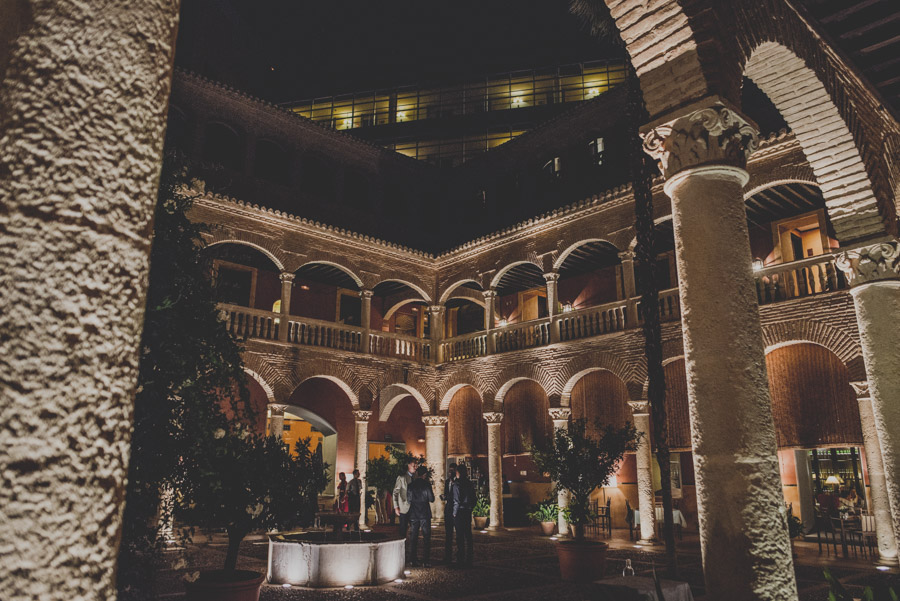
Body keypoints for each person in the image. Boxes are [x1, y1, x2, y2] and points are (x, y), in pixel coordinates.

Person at [407, 465, 435, 567]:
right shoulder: (427, 485)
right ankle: (426, 561)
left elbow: (408, 500)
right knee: (426, 538)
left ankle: (413, 560)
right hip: (424, 514)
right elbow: (431, 499)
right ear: (424, 475)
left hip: (414, 514)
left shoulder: (411, 485)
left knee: (413, 538)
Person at [451, 464, 475, 567]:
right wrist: (470, 507)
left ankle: (460, 558)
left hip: (460, 512)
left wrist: (454, 513)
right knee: (468, 534)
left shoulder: (457, 484)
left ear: (458, 472)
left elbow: (456, 500)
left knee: (460, 536)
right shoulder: (469, 483)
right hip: (467, 511)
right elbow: (474, 498)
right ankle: (469, 557)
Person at [393, 459, 417, 542]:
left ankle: (412, 546)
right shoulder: (402, 478)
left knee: (414, 530)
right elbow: (395, 492)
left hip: (415, 508)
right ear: (409, 465)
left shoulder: (416, 478)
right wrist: (396, 506)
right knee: (403, 529)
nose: (415, 467)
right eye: (413, 465)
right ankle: (402, 545)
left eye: (416, 466)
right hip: (404, 507)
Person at [441, 462, 457, 563]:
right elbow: (447, 493)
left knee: (459, 534)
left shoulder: (458, 482)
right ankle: (448, 556)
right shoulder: (447, 482)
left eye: (452, 471)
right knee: (448, 534)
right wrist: (444, 497)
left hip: (456, 511)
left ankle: (459, 556)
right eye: (449, 471)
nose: (450, 472)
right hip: (448, 509)